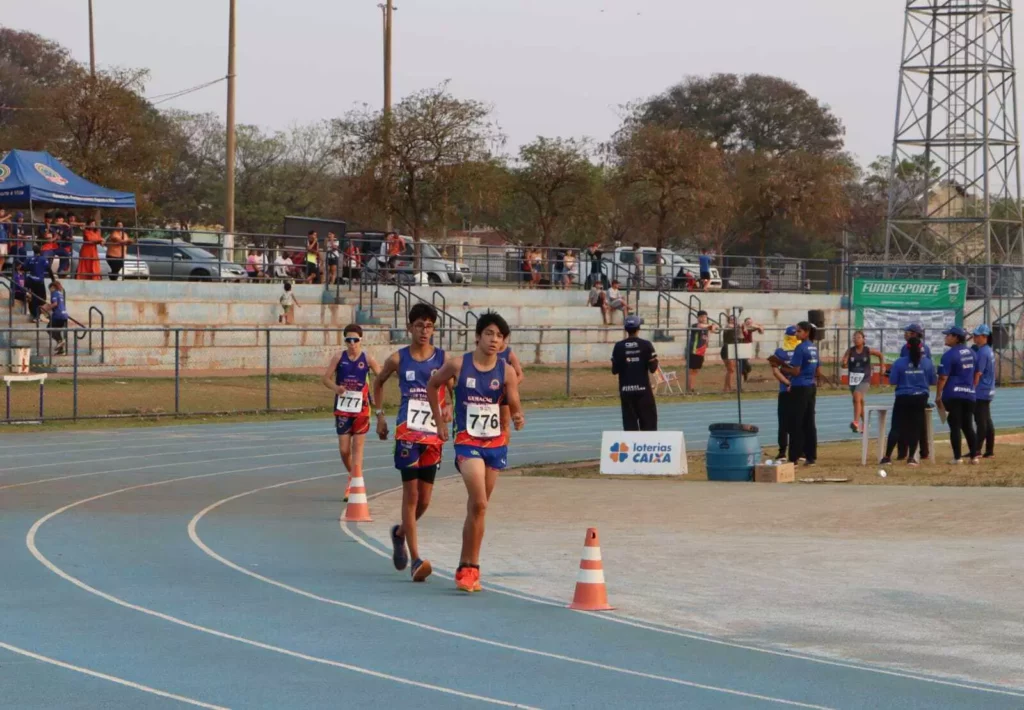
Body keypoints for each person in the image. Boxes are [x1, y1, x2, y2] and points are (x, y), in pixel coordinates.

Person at [427, 312, 525, 593]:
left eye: (500, 336)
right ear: (478, 336)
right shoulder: (459, 364)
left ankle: (467, 566)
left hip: (495, 443)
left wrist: (518, 416)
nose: (495, 340)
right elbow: (432, 386)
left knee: (477, 508)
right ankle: (470, 568)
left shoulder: (506, 370)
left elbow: (514, 400)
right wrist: (437, 419)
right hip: (467, 441)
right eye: (490, 334)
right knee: (479, 502)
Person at [373, 303, 450, 583]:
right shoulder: (398, 359)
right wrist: (379, 416)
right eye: (419, 325)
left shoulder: (443, 358)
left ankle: (400, 533)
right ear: (410, 328)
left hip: (432, 435)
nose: (424, 331)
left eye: (429, 326)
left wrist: (449, 407)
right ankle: (416, 559)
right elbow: (377, 383)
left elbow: (450, 389)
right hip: (407, 433)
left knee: (425, 500)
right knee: (412, 495)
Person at [323, 324, 381, 504]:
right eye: (349, 340)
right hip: (342, 408)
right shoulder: (339, 357)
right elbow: (325, 378)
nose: (352, 343)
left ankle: (355, 483)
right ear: (345, 341)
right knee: (344, 449)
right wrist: (336, 388)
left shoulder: (368, 358)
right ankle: (353, 475)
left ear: (361, 340)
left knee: (357, 449)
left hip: (362, 409)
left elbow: (381, 377)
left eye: (355, 340)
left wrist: (374, 393)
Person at [883, 337, 936, 466]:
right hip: (920, 398)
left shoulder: (899, 362)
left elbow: (893, 381)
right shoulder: (928, 363)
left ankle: (887, 457)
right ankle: (911, 457)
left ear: (906, 348)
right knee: (915, 427)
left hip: (903, 397)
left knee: (896, 426)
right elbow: (933, 381)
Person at [936, 325, 979, 465]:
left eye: (948, 335)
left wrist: (938, 395)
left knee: (955, 426)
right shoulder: (972, 353)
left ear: (955, 337)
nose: (946, 337)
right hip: (969, 394)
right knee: (968, 425)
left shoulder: (949, 355)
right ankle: (974, 457)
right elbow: (976, 373)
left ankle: (957, 458)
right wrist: (972, 387)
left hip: (953, 394)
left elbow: (943, 377)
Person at [779, 321, 819, 465]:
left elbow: (795, 371)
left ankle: (794, 457)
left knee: (796, 423)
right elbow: (817, 370)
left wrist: (784, 369)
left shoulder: (800, 348)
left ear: (806, 332)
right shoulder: (814, 348)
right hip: (810, 387)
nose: (796, 334)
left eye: (799, 331)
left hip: (799, 388)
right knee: (809, 422)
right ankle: (811, 456)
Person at [611, 314, 659, 431]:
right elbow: (653, 368)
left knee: (629, 424)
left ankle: (632, 447)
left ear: (625, 329)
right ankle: (646, 447)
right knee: (649, 423)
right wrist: (655, 360)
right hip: (643, 390)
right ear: (639, 328)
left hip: (626, 391)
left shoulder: (618, 346)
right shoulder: (646, 344)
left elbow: (614, 370)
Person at [841, 331, 885, 433]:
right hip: (853, 379)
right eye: (854, 338)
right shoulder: (850, 351)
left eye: (858, 337)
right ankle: (866, 423)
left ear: (863, 339)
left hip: (865, 378)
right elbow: (843, 363)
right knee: (858, 401)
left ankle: (856, 422)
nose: (856, 339)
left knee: (857, 396)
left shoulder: (867, 350)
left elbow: (880, 355)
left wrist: (882, 366)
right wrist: (843, 364)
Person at [769, 326, 800, 461]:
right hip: (799, 390)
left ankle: (782, 452)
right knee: (799, 421)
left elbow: (776, 372)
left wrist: (787, 383)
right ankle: (800, 452)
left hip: (785, 390)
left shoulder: (779, 352)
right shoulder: (802, 351)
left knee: (784, 422)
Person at [971, 325, 996, 459]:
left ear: (984, 336)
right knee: (987, 420)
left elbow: (978, 373)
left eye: (977, 335)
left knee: (981, 421)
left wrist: (972, 388)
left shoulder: (982, 352)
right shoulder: (988, 351)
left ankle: (977, 450)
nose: (974, 338)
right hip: (989, 389)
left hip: (981, 390)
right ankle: (989, 450)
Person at [498, 341, 524, 439]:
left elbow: (520, 374)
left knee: (504, 423)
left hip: (504, 395)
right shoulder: (485, 352)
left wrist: (510, 386)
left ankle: (503, 449)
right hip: (487, 394)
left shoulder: (508, 353)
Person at [686, 310, 718, 393]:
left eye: (705, 317)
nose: (704, 318)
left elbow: (713, 330)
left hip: (701, 351)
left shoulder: (707, 327)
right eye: (702, 317)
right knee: (692, 370)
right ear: (698, 317)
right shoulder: (695, 325)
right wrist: (712, 326)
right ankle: (690, 389)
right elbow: (703, 326)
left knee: (696, 370)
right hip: (694, 351)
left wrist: (713, 326)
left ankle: (691, 388)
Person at [24, 245, 55, 321]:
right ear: (40, 251)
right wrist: (53, 279)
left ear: (33, 251)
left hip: (30, 281)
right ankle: (37, 315)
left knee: (32, 298)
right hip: (39, 282)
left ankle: (35, 315)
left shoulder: (29, 259)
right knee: (41, 299)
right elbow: (49, 270)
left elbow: (24, 268)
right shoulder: (43, 259)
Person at [41, 280, 69, 355]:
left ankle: (60, 341)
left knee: (49, 329)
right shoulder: (60, 293)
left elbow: (55, 304)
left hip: (58, 315)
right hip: (64, 316)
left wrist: (46, 308)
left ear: (53, 287)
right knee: (57, 331)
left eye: (50, 289)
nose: (49, 291)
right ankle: (61, 350)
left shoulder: (54, 293)